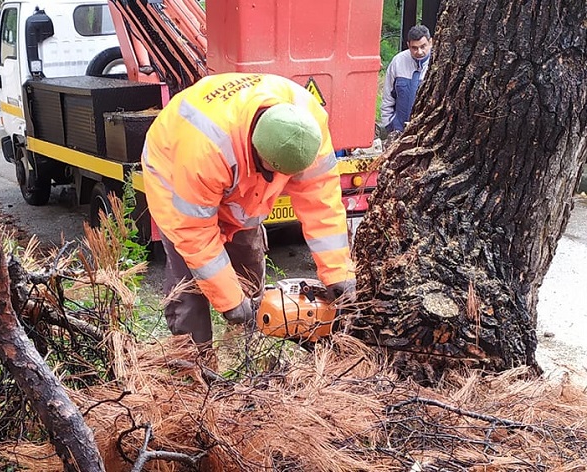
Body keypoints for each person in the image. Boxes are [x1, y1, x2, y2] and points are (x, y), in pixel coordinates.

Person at [141, 72, 357, 345]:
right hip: (175, 175)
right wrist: (229, 301)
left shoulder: (307, 128)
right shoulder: (206, 148)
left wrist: (339, 273)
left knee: (250, 268)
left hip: (232, 176)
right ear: (256, 152)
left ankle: (246, 352)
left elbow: (322, 204)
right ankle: (193, 370)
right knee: (191, 286)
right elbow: (194, 234)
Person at [381, 25, 433, 134]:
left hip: (427, 133)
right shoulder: (398, 62)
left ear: (430, 42)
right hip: (399, 130)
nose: (419, 51)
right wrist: (389, 124)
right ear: (408, 45)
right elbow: (387, 97)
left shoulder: (439, 64)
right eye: (414, 48)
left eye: (423, 46)